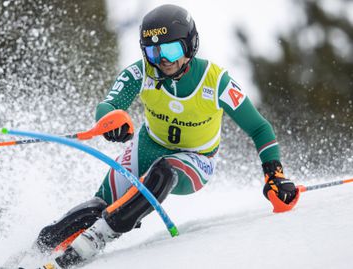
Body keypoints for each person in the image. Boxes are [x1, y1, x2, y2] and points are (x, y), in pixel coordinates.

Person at [35, 4, 299, 269]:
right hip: (147, 146)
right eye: (153, 51)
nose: (163, 60)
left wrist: (274, 175)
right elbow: (108, 106)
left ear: (190, 45)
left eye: (171, 49)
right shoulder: (142, 72)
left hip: (195, 159)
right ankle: (32, 254)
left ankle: (96, 239)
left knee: (163, 172)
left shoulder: (216, 81)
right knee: (96, 207)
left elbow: (259, 128)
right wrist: (113, 122)